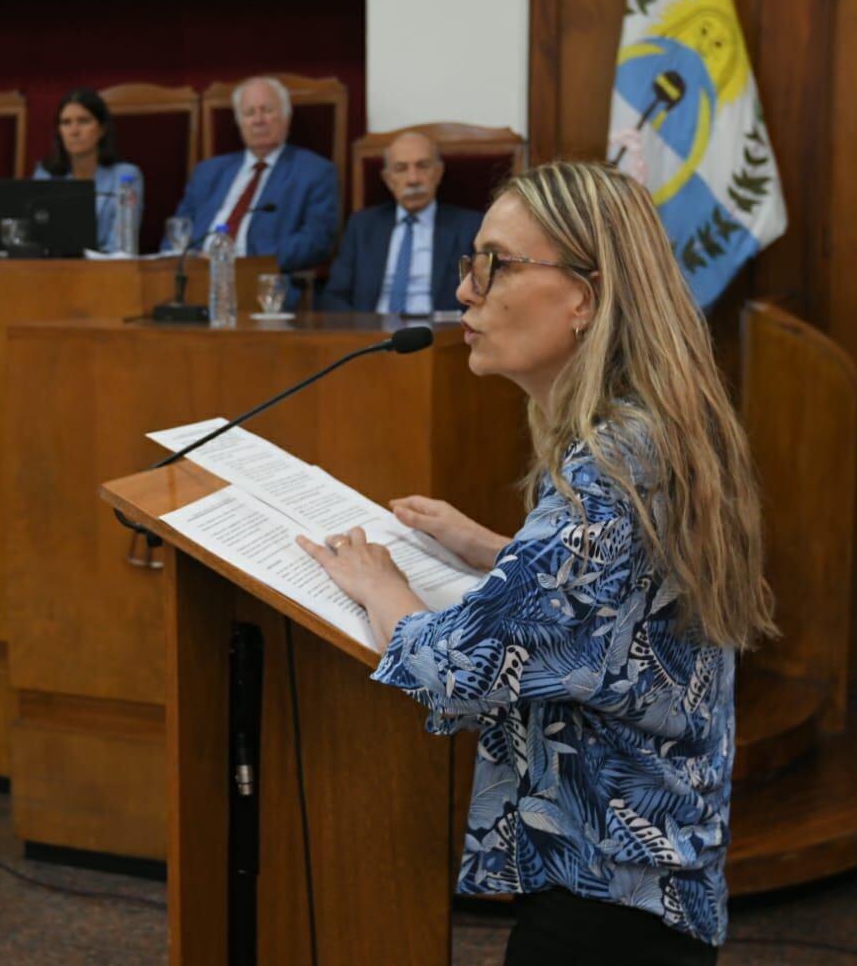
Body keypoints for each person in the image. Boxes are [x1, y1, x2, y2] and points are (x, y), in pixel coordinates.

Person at [298, 161, 774, 963]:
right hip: (639, 887)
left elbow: (455, 668)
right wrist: (496, 550)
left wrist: (381, 584)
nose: (466, 293)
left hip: (610, 909)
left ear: (583, 297)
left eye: (495, 264)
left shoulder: (610, 482)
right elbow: (613, 610)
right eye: (467, 265)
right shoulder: (641, 436)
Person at [173, 75, 338, 272]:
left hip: (258, 282)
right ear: (240, 123)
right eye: (249, 113)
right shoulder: (207, 172)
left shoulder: (315, 172)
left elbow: (316, 241)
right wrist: (186, 261)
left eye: (267, 110)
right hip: (195, 277)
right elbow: (177, 232)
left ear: (286, 117)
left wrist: (245, 263)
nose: (258, 120)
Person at [320, 131, 482, 315]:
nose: (413, 179)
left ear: (438, 173)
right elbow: (333, 296)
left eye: (423, 166)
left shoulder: (470, 226)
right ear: (388, 179)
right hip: (373, 334)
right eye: (401, 168)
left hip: (439, 337)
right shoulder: (362, 226)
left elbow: (482, 296)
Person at [32, 88, 142, 252]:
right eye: (66, 123)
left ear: (102, 129)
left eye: (83, 121)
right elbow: (35, 239)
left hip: (104, 271)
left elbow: (121, 248)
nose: (74, 131)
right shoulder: (44, 175)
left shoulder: (126, 176)